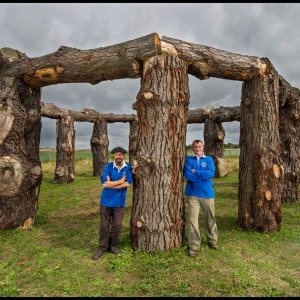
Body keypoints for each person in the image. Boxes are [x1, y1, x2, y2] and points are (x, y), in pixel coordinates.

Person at [91, 146, 133, 260]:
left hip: (119, 202)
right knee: (104, 226)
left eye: (120, 154)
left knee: (117, 225)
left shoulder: (127, 167)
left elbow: (128, 183)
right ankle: (102, 247)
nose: (118, 156)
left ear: (123, 155)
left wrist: (112, 184)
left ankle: (112, 246)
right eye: (116, 154)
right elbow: (104, 184)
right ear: (114, 155)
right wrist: (120, 182)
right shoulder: (108, 166)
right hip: (106, 201)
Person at [184, 139, 219, 257]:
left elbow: (211, 174)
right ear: (192, 148)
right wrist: (201, 175)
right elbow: (188, 175)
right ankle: (194, 245)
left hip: (207, 194)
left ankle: (212, 241)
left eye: (199, 146)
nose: (197, 148)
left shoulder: (208, 160)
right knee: (192, 220)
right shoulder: (189, 160)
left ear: (203, 147)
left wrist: (196, 172)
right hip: (193, 194)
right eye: (195, 147)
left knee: (210, 218)